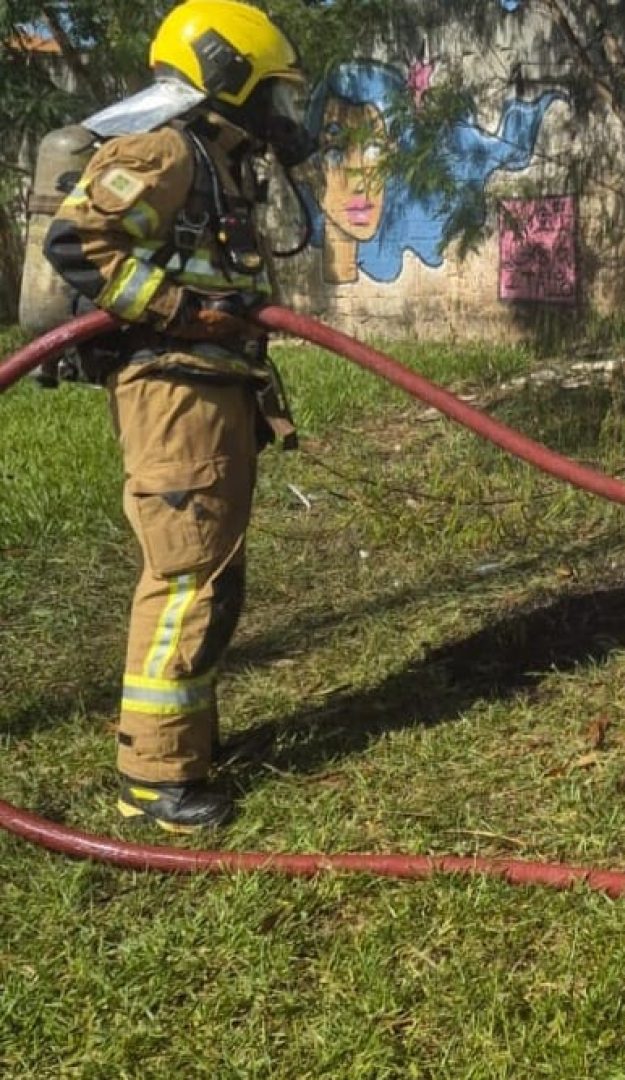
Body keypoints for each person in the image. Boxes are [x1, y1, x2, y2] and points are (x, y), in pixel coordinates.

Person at [43, 0, 316, 832]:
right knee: (185, 575)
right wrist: (184, 313)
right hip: (175, 391)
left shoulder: (214, 156)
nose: (274, 112)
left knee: (213, 573)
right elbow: (76, 244)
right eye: (266, 92)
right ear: (225, 74)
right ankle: (153, 777)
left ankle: (184, 745)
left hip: (213, 389)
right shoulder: (160, 148)